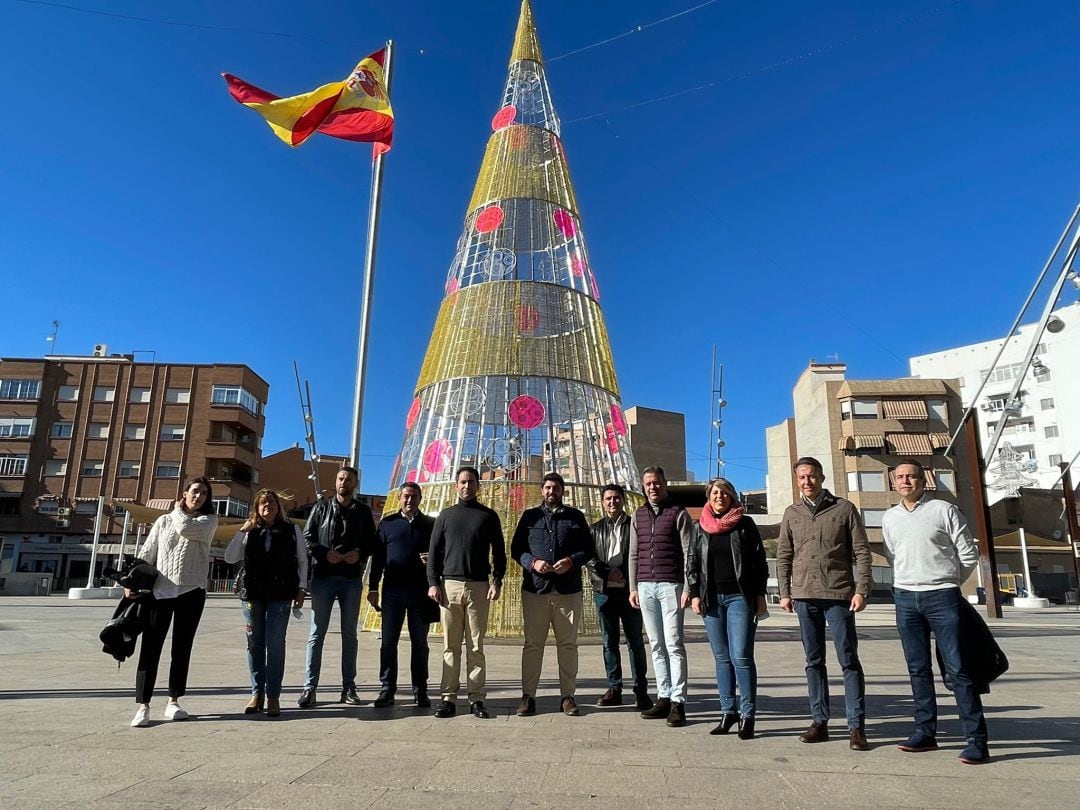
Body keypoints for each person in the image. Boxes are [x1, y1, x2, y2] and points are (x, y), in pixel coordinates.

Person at [882, 460, 989, 764]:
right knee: (917, 669)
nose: (906, 481)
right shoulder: (890, 518)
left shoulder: (944, 510)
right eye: (900, 477)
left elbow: (967, 554)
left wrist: (948, 581)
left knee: (959, 669)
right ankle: (925, 732)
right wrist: (907, 581)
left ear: (923, 480)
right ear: (894, 482)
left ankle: (976, 740)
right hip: (905, 598)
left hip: (942, 596)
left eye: (911, 476)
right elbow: (893, 555)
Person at [776, 456, 872, 750]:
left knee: (848, 660)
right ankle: (820, 721)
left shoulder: (844, 509)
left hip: (839, 595)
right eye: (802, 477)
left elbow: (862, 551)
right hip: (805, 596)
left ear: (822, 477)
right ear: (797, 481)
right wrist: (785, 592)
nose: (807, 482)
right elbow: (784, 555)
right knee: (813, 661)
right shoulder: (791, 513)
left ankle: (856, 726)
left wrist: (862, 589)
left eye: (812, 476)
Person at [129, 477, 219, 727]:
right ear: (185, 493)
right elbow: (148, 552)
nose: (199, 496)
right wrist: (132, 582)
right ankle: (143, 705)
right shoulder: (163, 520)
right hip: (160, 592)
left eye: (204, 493)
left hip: (191, 591)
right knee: (151, 647)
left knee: (181, 648)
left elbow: (186, 529)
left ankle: (173, 700)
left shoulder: (209, 521)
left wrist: (178, 509)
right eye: (195, 491)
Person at [687, 478, 769, 739]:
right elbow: (693, 561)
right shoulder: (700, 526)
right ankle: (727, 712)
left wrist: (759, 594)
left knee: (741, 656)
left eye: (724, 492)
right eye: (714, 492)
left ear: (732, 496)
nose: (719, 496)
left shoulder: (745, 524)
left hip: (739, 598)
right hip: (712, 599)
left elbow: (759, 561)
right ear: (708, 497)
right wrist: (695, 593)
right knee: (722, 658)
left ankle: (747, 715)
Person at [510, 472, 593, 717]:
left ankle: (568, 696)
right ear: (542, 490)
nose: (550, 492)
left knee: (567, 644)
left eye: (555, 488)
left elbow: (587, 549)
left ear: (562, 490)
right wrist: (532, 562)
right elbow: (517, 549)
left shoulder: (575, 517)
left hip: (568, 591)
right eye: (547, 488)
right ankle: (528, 696)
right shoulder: (529, 517)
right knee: (533, 644)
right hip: (536, 589)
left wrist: (571, 561)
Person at [427, 466, 506, 718]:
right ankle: (448, 698)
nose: (466, 486)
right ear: (456, 485)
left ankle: (476, 698)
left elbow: (500, 553)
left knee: (475, 645)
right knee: (450, 645)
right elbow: (434, 552)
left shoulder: (488, 516)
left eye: (471, 482)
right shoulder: (445, 516)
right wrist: (433, 582)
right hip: (449, 586)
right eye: (462, 482)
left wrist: (497, 581)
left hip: (479, 587)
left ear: (477, 486)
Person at [298, 466, 377, 708]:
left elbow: (372, 542)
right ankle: (309, 688)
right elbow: (307, 537)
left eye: (349, 479)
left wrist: (359, 553)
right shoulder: (321, 507)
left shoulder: (362, 511)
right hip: (323, 577)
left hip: (351, 579)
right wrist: (324, 553)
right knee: (316, 634)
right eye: (341, 478)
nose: (344, 482)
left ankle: (349, 687)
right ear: (336, 481)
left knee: (349, 635)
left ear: (355, 483)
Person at [224, 489, 307, 718]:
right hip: (252, 595)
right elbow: (230, 557)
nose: (267, 506)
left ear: (279, 506)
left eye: (271, 502)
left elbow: (302, 560)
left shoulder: (292, 530)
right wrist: (242, 531)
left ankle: (273, 696)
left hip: (280, 594)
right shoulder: (250, 532)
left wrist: (301, 588)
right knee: (254, 644)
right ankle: (256, 693)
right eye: (262, 503)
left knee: (276, 645)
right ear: (256, 508)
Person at [629, 465, 693, 728]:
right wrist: (633, 586)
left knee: (674, 643)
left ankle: (678, 701)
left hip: (671, 585)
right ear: (643, 487)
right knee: (656, 644)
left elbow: (690, 554)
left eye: (656, 482)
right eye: (648, 484)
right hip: (645, 586)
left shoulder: (678, 514)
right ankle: (663, 696)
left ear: (664, 483)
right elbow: (634, 553)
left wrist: (689, 587)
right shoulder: (638, 515)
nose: (652, 487)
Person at [367, 481, 436, 708]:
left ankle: (421, 690)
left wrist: (432, 561)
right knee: (388, 642)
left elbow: (441, 555)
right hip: (392, 592)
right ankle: (387, 689)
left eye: (414, 496)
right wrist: (374, 587)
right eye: (406, 496)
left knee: (420, 643)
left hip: (420, 592)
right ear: (400, 498)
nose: (409, 500)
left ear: (420, 499)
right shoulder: (387, 524)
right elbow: (377, 558)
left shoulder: (430, 525)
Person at [587, 483, 652, 711]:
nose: (612, 502)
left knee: (635, 641)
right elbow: (589, 556)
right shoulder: (595, 529)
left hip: (629, 590)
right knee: (609, 642)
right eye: (608, 499)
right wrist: (606, 571)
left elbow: (641, 553)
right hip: (604, 592)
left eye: (616, 498)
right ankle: (614, 687)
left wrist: (624, 572)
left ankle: (641, 690)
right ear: (602, 502)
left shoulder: (633, 526)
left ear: (622, 500)